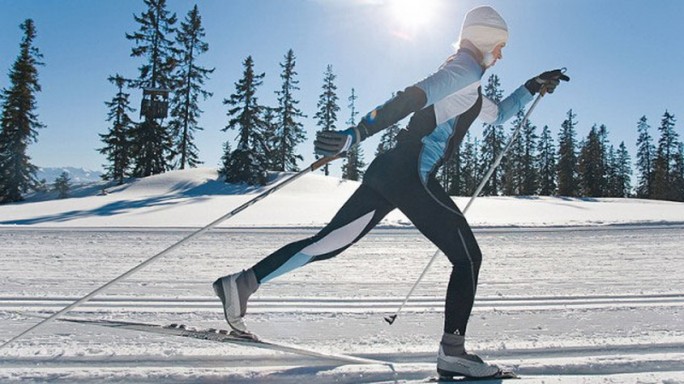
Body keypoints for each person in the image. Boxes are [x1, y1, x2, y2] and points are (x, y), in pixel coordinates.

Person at [213, 5, 569, 378]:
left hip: (391, 170)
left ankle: (242, 283)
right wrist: (357, 134)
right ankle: (453, 352)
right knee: (467, 259)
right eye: (500, 45)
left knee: (327, 243)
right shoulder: (463, 70)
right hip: (411, 173)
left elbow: (497, 114)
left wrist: (532, 87)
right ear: (486, 40)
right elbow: (411, 97)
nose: (501, 54)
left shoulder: (470, 82)